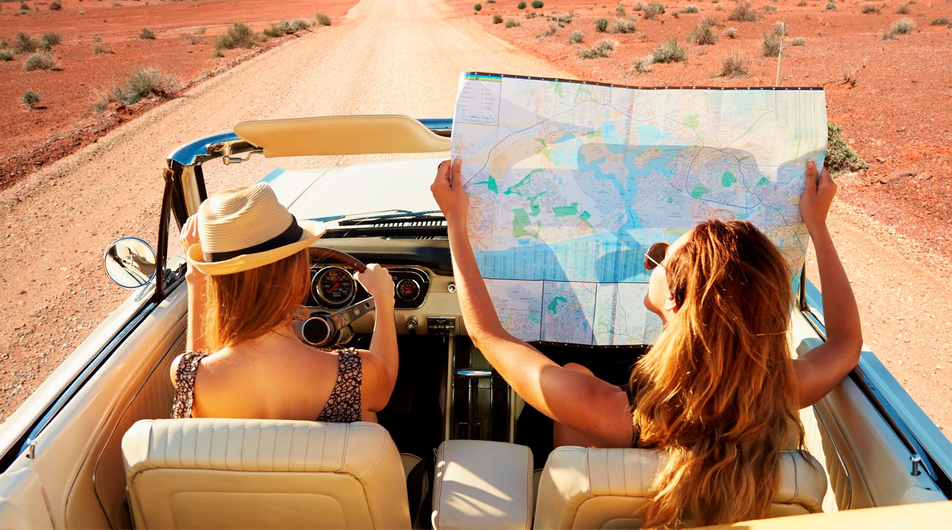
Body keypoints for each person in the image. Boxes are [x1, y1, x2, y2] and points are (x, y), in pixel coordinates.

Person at [431, 158, 861, 526]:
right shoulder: (784, 389)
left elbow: (488, 334)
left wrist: (456, 221)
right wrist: (818, 226)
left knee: (575, 371)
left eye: (660, 256)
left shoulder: (601, 409)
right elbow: (845, 343)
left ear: (673, 300)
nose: (651, 259)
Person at [169, 183, 399, 423]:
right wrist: (383, 299)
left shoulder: (188, 375)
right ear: (297, 276)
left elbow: (199, 358)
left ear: (217, 288)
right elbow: (386, 385)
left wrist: (196, 279)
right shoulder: (355, 373)